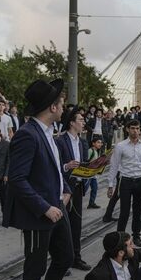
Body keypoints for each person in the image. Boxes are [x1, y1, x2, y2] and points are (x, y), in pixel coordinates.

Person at [3, 79, 73, 280]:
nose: (63, 106)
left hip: (58, 207)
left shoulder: (49, 132)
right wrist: (44, 208)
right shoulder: (27, 134)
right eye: (61, 103)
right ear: (52, 107)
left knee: (65, 257)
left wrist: (65, 189)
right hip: (38, 215)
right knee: (34, 270)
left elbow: (55, 169)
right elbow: (17, 179)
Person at [107, 120, 141, 247]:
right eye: (132, 128)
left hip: (139, 181)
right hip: (125, 181)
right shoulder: (120, 146)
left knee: (138, 211)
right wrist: (111, 184)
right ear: (127, 129)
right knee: (124, 212)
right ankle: (120, 238)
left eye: (137, 128)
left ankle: (136, 236)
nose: (135, 131)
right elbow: (114, 166)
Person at [56, 106, 91, 271]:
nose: (83, 122)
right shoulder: (60, 141)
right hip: (65, 189)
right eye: (80, 120)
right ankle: (62, 261)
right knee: (63, 226)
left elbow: (83, 163)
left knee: (76, 225)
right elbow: (55, 167)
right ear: (71, 123)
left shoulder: (83, 142)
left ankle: (76, 258)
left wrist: (93, 168)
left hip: (78, 187)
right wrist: (66, 166)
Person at [86, 136, 104, 209]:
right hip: (88, 174)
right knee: (84, 189)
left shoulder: (96, 151)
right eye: (98, 142)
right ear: (93, 143)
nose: (100, 144)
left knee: (94, 188)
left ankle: (91, 203)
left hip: (93, 175)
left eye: (101, 143)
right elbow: (86, 161)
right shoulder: (90, 151)